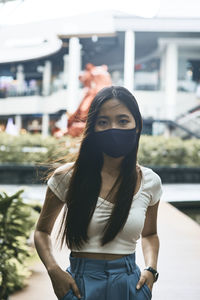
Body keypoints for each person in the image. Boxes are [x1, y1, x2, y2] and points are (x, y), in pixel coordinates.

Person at [34, 86, 163, 300]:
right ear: (92, 128)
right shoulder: (66, 177)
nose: (113, 128)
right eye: (103, 122)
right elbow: (41, 232)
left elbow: (150, 234)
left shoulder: (150, 181)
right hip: (80, 285)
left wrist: (151, 270)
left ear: (137, 126)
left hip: (130, 286)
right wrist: (53, 271)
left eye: (123, 121)